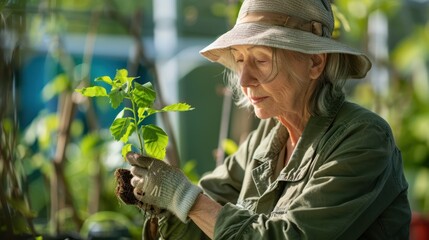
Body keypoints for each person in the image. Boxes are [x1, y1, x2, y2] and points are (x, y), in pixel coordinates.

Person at [125, 0, 411, 239]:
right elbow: (203, 221)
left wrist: (186, 199)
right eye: (239, 60)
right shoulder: (268, 138)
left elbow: (291, 235)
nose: (245, 79)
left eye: (261, 60)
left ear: (315, 62)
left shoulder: (364, 138)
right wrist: (161, 200)